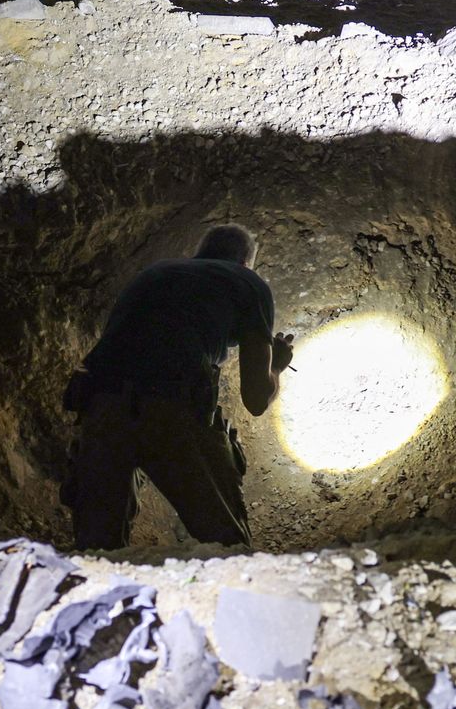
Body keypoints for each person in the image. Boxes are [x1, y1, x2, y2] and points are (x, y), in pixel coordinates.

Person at [62, 223, 294, 548]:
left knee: (98, 550)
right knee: (229, 548)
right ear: (244, 262)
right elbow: (255, 398)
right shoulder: (249, 283)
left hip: (101, 403)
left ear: (199, 254)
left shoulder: (154, 273)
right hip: (171, 405)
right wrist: (277, 367)